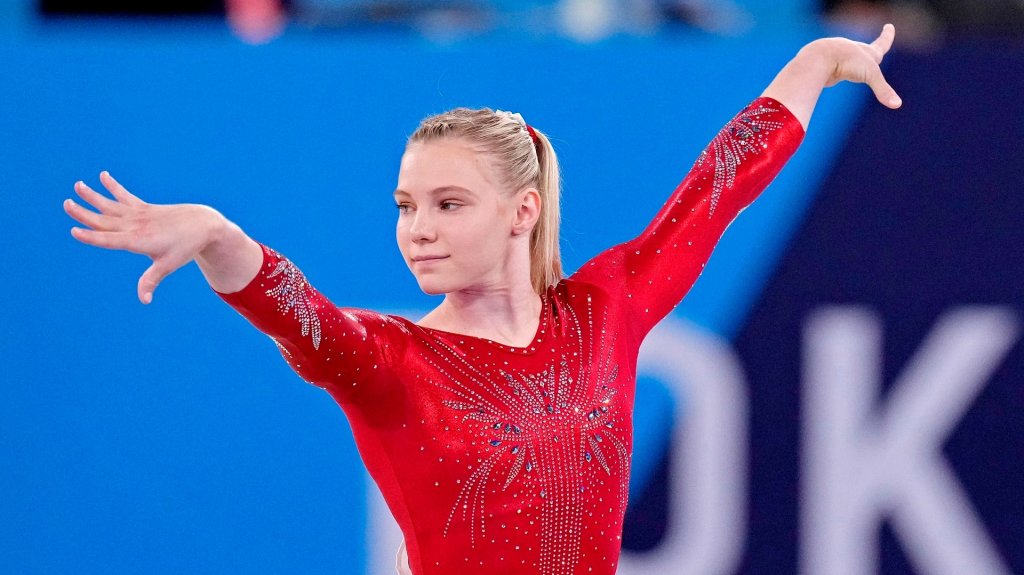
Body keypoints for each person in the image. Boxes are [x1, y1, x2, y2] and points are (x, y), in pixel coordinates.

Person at [63, 25, 901, 575]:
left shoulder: (603, 309)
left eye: (448, 203)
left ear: (521, 211)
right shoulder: (389, 361)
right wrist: (218, 236)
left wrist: (815, 63)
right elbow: (300, 310)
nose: (417, 230)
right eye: (405, 206)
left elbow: (716, 191)